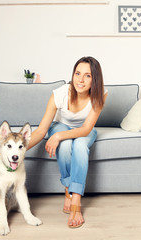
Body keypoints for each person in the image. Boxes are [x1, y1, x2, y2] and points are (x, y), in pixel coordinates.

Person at [27, 56, 108, 228]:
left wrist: (57, 137)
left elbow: (86, 129)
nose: (80, 79)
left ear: (95, 79)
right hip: (60, 126)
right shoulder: (60, 93)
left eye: (87, 75)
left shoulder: (101, 94)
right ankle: (67, 188)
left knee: (78, 144)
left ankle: (75, 200)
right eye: (77, 73)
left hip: (85, 129)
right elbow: (42, 130)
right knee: (64, 144)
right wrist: (17, 151)